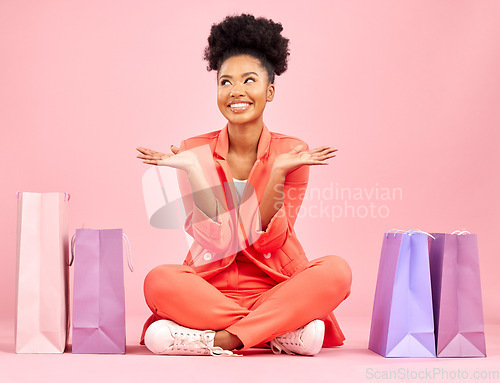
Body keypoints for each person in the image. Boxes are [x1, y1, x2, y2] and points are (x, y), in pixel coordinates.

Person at [136, 13, 352, 357]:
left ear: (269, 91)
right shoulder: (193, 151)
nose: (236, 92)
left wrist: (278, 172)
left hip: (276, 285)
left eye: (248, 81)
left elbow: (271, 241)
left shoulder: (291, 153)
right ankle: (278, 334)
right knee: (159, 280)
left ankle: (219, 340)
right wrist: (195, 171)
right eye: (225, 82)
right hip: (210, 287)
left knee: (337, 272)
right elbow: (214, 241)